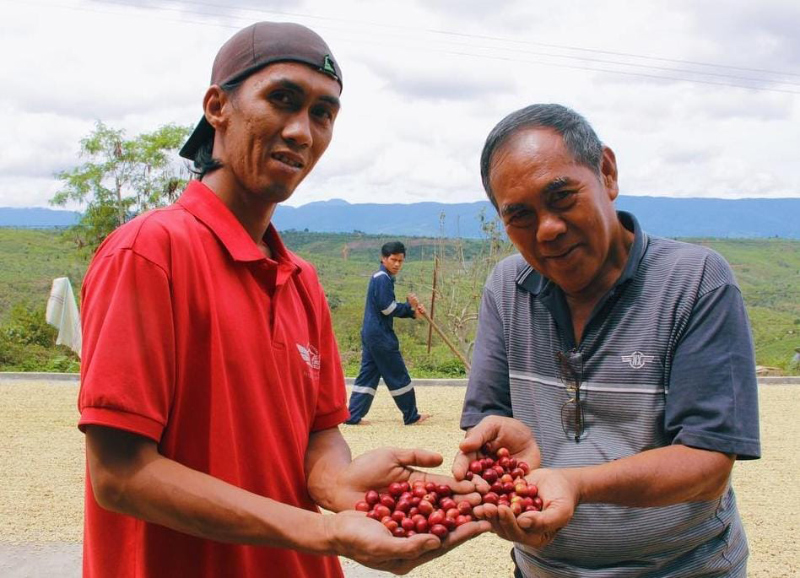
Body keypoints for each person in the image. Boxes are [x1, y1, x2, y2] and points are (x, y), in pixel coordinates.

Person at [77, 21, 488, 578]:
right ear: (217, 106)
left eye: (323, 113)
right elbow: (120, 475)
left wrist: (340, 483)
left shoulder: (300, 281)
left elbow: (318, 436)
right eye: (282, 99)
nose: (302, 131)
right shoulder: (149, 253)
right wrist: (320, 530)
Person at [451, 104, 761, 577]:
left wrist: (576, 485)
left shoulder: (697, 281)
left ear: (607, 174)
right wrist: (495, 445)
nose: (548, 229)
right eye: (520, 216)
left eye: (561, 196)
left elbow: (709, 461)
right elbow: (491, 418)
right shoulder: (505, 287)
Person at [345, 241, 431, 425]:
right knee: (397, 374)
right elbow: (387, 308)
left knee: (368, 374)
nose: (397, 264)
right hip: (380, 336)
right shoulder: (382, 278)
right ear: (383, 259)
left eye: (401, 260)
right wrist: (409, 308)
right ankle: (411, 416)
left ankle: (352, 416)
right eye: (394, 260)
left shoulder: (381, 277)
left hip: (371, 334)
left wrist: (412, 310)